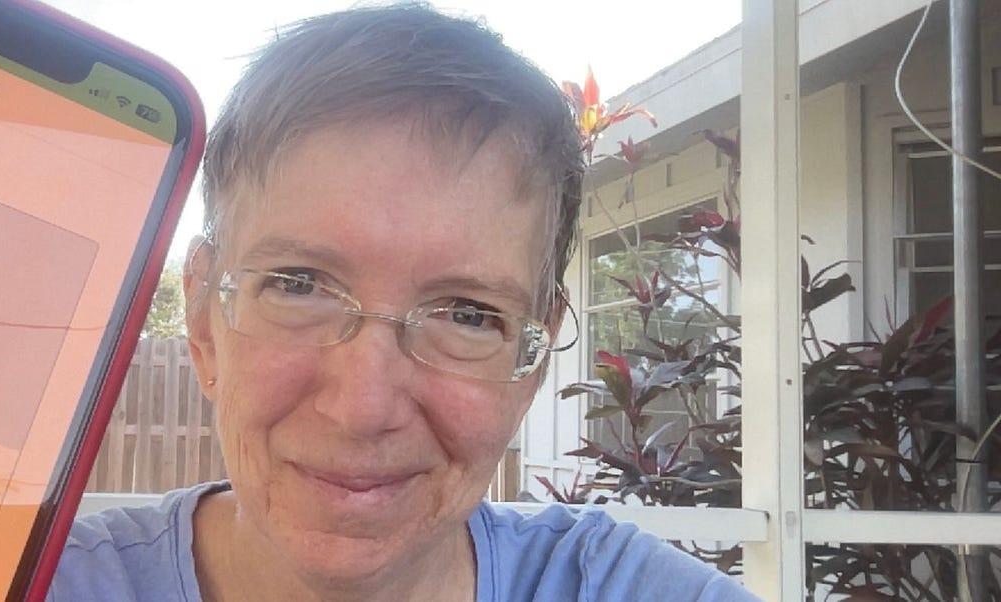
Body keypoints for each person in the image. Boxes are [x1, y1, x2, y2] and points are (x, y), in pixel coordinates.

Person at [49, 4, 757, 601]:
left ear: (530, 364)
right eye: (299, 285)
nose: (363, 409)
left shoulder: (622, 589)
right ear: (203, 324)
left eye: (466, 314)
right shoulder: (24, 580)